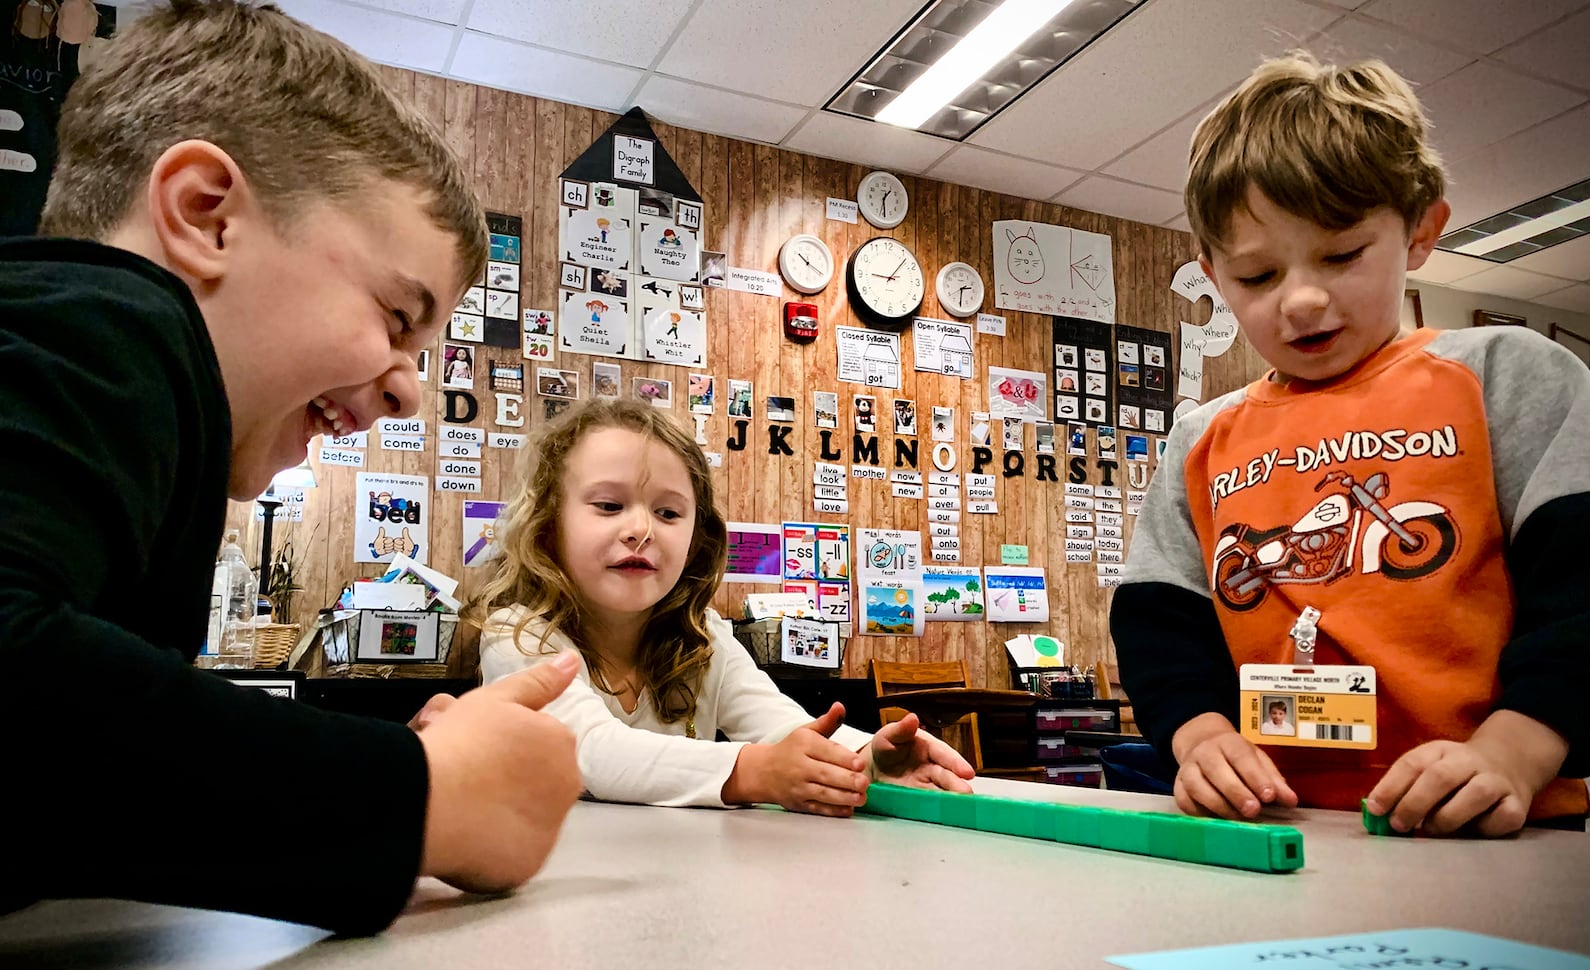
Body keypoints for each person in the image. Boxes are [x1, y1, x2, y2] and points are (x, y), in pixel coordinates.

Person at [0, 0, 581, 935]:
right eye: (398, 319)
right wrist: (418, 798)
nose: (408, 395)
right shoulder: (112, 322)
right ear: (205, 216)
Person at [1111, 51, 1590, 837]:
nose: (1301, 300)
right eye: (1257, 276)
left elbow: (1585, 594)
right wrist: (1197, 735)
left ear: (1421, 232)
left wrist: (1514, 751)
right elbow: (1158, 620)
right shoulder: (1202, 436)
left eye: (1341, 255)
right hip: (1273, 823)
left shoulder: (1508, 374)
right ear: (1212, 275)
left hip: (1489, 825)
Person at [473, 399, 976, 813]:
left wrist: (866, 759)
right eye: (608, 505)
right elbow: (589, 752)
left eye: (669, 512)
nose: (641, 531)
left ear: (695, 540)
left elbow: (782, 726)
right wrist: (754, 771)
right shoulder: (516, 635)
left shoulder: (705, 637)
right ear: (546, 524)